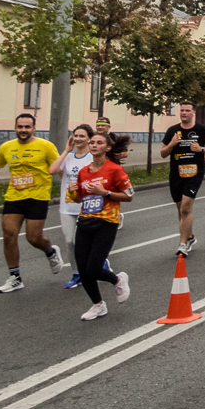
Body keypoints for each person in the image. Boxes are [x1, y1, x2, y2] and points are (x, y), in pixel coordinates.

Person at [0, 113, 65, 292]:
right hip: (14, 196)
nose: (23, 130)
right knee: (9, 234)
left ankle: (50, 251)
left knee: (33, 238)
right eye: (20, 127)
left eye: (27, 127)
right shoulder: (6, 147)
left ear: (34, 128)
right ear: (15, 128)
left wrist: (71, 190)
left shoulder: (45, 146)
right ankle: (15, 277)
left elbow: (58, 168)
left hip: (38, 196)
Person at [73, 130, 133, 320]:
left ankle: (117, 279)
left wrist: (105, 192)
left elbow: (129, 195)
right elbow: (79, 199)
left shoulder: (114, 169)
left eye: (99, 142)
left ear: (107, 148)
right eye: (92, 142)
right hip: (84, 221)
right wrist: (73, 192)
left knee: (93, 267)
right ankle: (98, 305)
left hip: (107, 222)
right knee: (82, 268)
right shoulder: (83, 172)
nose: (94, 145)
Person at [160, 102, 205, 257]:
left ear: (193, 113)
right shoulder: (172, 131)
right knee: (180, 209)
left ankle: (182, 244)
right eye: (182, 110)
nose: (184, 113)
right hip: (177, 174)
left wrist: (201, 149)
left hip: (194, 174)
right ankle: (189, 237)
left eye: (187, 110)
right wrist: (171, 143)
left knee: (185, 207)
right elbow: (163, 153)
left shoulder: (201, 130)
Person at [49, 124, 95, 289]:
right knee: (69, 242)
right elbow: (52, 170)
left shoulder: (93, 157)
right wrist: (66, 151)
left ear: (89, 138)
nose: (78, 139)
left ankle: (96, 264)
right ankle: (76, 274)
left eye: (82, 136)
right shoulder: (68, 157)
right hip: (67, 207)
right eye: (75, 135)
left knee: (80, 242)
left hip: (87, 206)